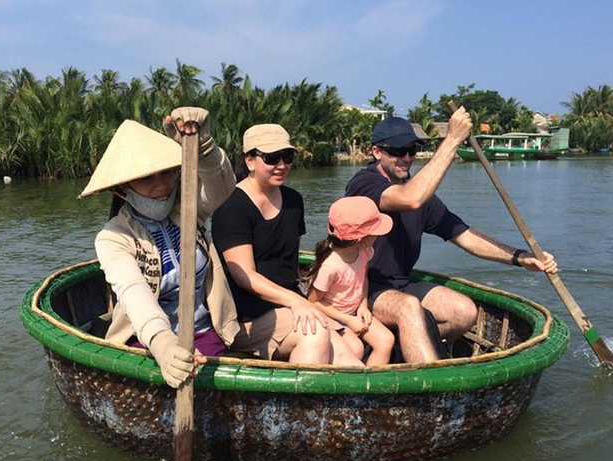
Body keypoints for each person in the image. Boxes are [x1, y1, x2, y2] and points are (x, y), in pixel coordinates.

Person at [344, 109, 558, 363]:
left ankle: (406, 351)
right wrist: (453, 140)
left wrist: (521, 258)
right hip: (361, 289)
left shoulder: (425, 199)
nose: (406, 158)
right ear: (376, 152)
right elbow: (409, 199)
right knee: (409, 309)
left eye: (411, 150)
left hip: (400, 284)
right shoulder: (364, 184)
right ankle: (428, 386)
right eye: (397, 151)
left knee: (463, 311)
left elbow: (466, 237)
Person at [79, 107, 239, 388]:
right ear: (122, 189)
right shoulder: (114, 237)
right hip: (145, 340)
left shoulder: (188, 210)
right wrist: (164, 345)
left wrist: (205, 146)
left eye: (167, 173)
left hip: (204, 331)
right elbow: (134, 294)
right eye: (147, 179)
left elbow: (221, 187)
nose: (162, 186)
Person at [212, 124, 363, 366]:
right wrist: (296, 302)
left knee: (354, 347)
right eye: (272, 158)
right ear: (250, 161)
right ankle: (299, 404)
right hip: (246, 312)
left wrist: (298, 301)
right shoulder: (232, 207)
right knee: (315, 336)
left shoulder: (294, 201)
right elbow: (244, 276)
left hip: (286, 301)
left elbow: (288, 264)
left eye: (287, 157)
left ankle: (357, 403)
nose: (281, 165)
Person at [303, 196, 397, 366]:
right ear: (361, 238)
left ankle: (371, 386)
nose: (379, 235)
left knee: (386, 340)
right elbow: (312, 302)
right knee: (356, 348)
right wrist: (346, 320)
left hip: (354, 311)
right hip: (331, 316)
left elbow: (363, 278)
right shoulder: (331, 266)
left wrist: (363, 305)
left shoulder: (364, 251)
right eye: (375, 231)